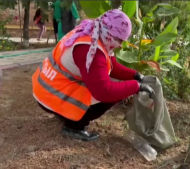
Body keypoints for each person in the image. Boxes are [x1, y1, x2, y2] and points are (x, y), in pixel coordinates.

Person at [32, 9, 154, 142]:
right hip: (50, 95)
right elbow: (103, 92)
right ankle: (74, 126)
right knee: (115, 92)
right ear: (110, 33)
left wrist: (135, 75)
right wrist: (135, 87)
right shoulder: (92, 50)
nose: (120, 45)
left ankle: (64, 114)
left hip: (48, 87)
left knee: (112, 84)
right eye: (119, 40)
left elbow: (111, 66)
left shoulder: (94, 32)